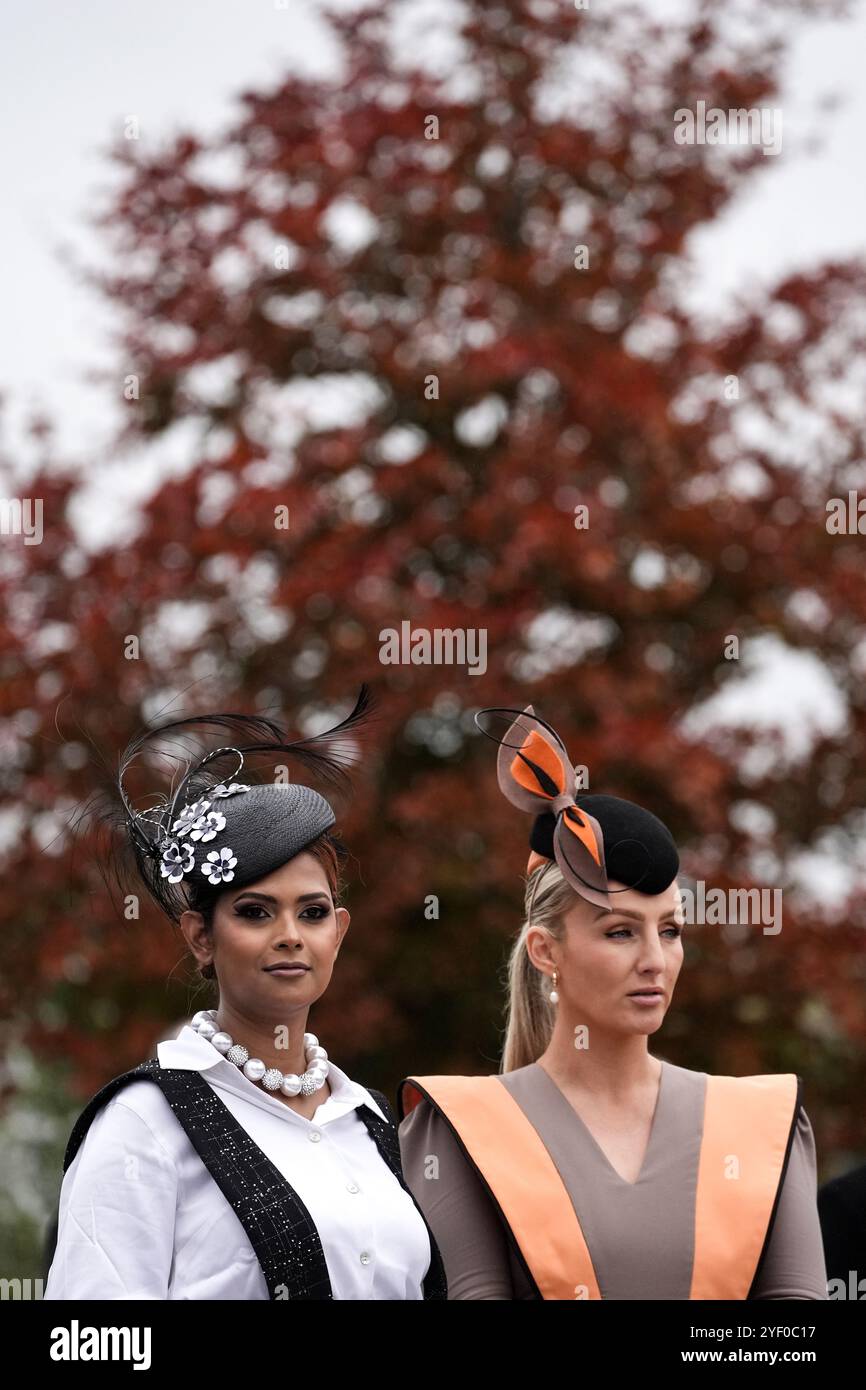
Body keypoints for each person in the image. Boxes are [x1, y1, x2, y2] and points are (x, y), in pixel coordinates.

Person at [397, 703, 827, 1300]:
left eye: (670, 930)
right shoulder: (461, 1126)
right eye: (620, 931)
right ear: (547, 951)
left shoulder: (765, 1120)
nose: (655, 958)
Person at [44, 686, 446, 1300]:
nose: (290, 936)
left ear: (338, 934)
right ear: (200, 936)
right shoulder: (145, 1122)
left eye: (311, 914)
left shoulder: (368, 1121)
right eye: (256, 913)